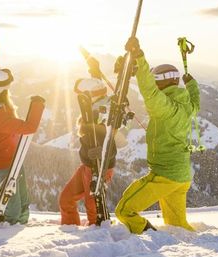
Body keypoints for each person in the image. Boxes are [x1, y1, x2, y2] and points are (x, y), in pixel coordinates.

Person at [115, 36, 200, 233]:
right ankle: (191, 248)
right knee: (178, 226)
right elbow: (196, 102)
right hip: (182, 177)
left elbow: (149, 91)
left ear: (164, 82)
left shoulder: (166, 107)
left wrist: (140, 58)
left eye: (157, 80)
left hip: (165, 175)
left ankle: (148, 234)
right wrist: (192, 84)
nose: (154, 82)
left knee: (124, 210)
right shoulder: (187, 106)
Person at [0, 33, 45, 225]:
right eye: (6, 87)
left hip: (12, 161)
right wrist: (38, 104)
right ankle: (8, 232)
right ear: (1, 91)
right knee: (13, 207)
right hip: (5, 166)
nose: (8, 89)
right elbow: (29, 127)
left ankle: (22, 227)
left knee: (23, 202)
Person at [59, 77, 116, 226]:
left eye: (83, 96)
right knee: (66, 200)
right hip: (87, 165)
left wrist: (103, 152)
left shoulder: (103, 112)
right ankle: (70, 230)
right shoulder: (91, 110)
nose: (80, 99)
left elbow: (111, 138)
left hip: (99, 166)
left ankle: (97, 236)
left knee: (93, 208)